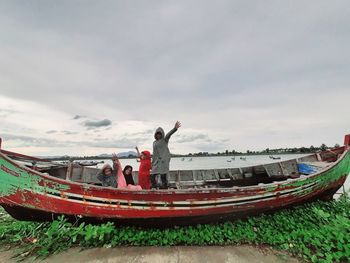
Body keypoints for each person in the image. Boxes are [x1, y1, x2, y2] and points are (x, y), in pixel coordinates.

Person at [151, 121, 181, 189]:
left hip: (163, 161)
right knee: (152, 175)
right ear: (155, 135)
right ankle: (154, 187)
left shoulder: (165, 140)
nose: (158, 135)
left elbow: (169, 134)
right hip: (156, 162)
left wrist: (175, 128)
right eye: (157, 134)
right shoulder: (154, 142)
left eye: (160, 134)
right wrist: (152, 162)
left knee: (163, 175)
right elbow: (154, 153)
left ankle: (164, 188)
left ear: (162, 134)